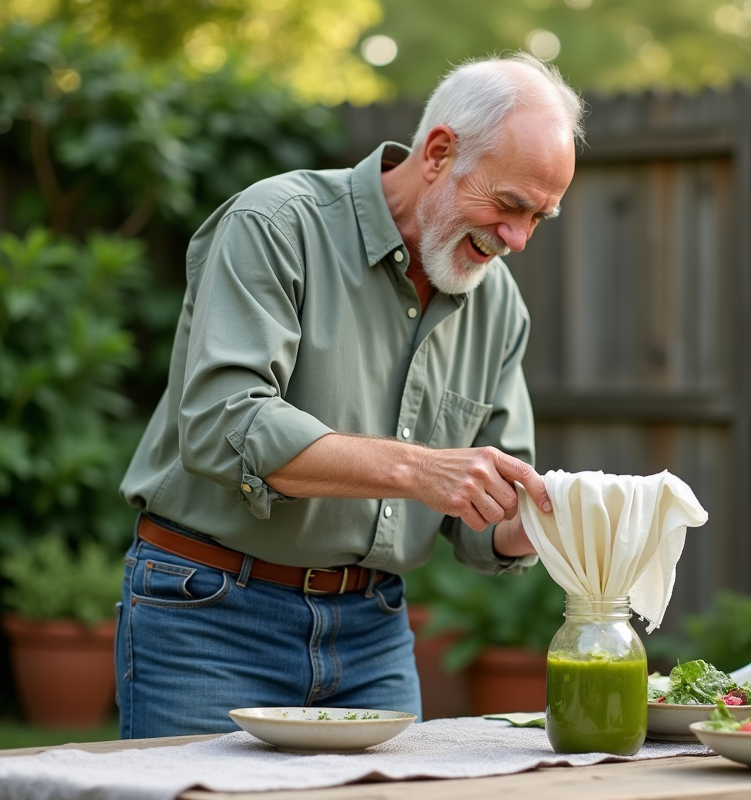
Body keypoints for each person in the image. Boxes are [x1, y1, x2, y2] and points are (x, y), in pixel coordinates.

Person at [115, 52, 584, 738]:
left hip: (373, 635)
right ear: (439, 152)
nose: (518, 239)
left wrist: (538, 521)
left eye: (541, 217)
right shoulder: (276, 225)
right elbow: (223, 424)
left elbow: (482, 521)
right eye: (510, 205)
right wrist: (420, 469)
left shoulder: (499, 306)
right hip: (210, 617)